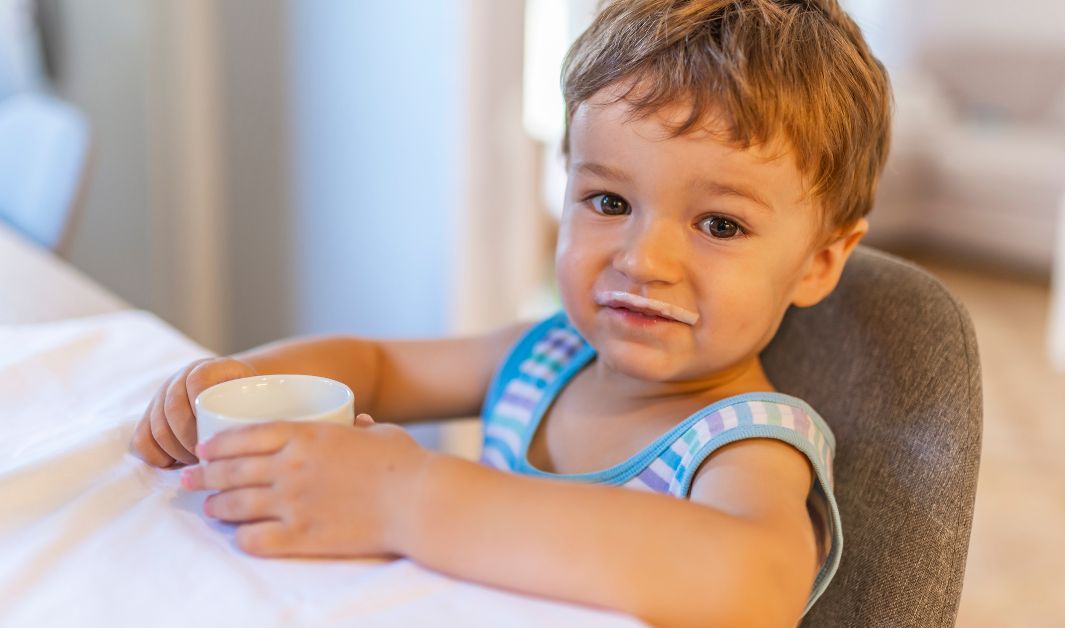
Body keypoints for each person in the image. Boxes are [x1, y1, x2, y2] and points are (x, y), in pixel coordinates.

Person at [130, 1, 890, 625]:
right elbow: (376, 365)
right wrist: (246, 384)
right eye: (609, 201)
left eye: (719, 225)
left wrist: (405, 498)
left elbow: (751, 583)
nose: (641, 259)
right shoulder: (545, 357)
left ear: (820, 261)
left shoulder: (747, 444)